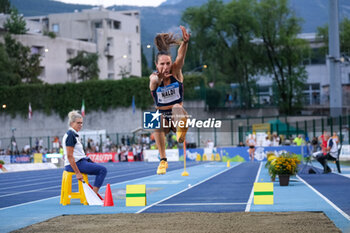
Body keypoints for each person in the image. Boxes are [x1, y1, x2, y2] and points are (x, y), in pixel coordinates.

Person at [150, 25, 190, 175]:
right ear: (156, 65)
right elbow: (153, 82)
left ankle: (181, 131)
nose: (165, 67)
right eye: (162, 64)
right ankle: (163, 160)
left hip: (178, 116)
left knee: (176, 108)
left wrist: (185, 43)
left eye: (168, 63)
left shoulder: (176, 73)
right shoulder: (154, 78)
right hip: (164, 120)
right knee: (156, 118)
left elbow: (180, 57)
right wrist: (158, 78)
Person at [62, 110, 107, 194]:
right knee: (102, 170)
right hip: (74, 164)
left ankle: (93, 193)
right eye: (78, 123)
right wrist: (77, 173)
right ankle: (94, 194)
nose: (80, 125)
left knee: (98, 167)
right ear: (72, 123)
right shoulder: (71, 136)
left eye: (81, 123)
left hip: (80, 162)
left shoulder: (73, 134)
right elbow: (69, 156)